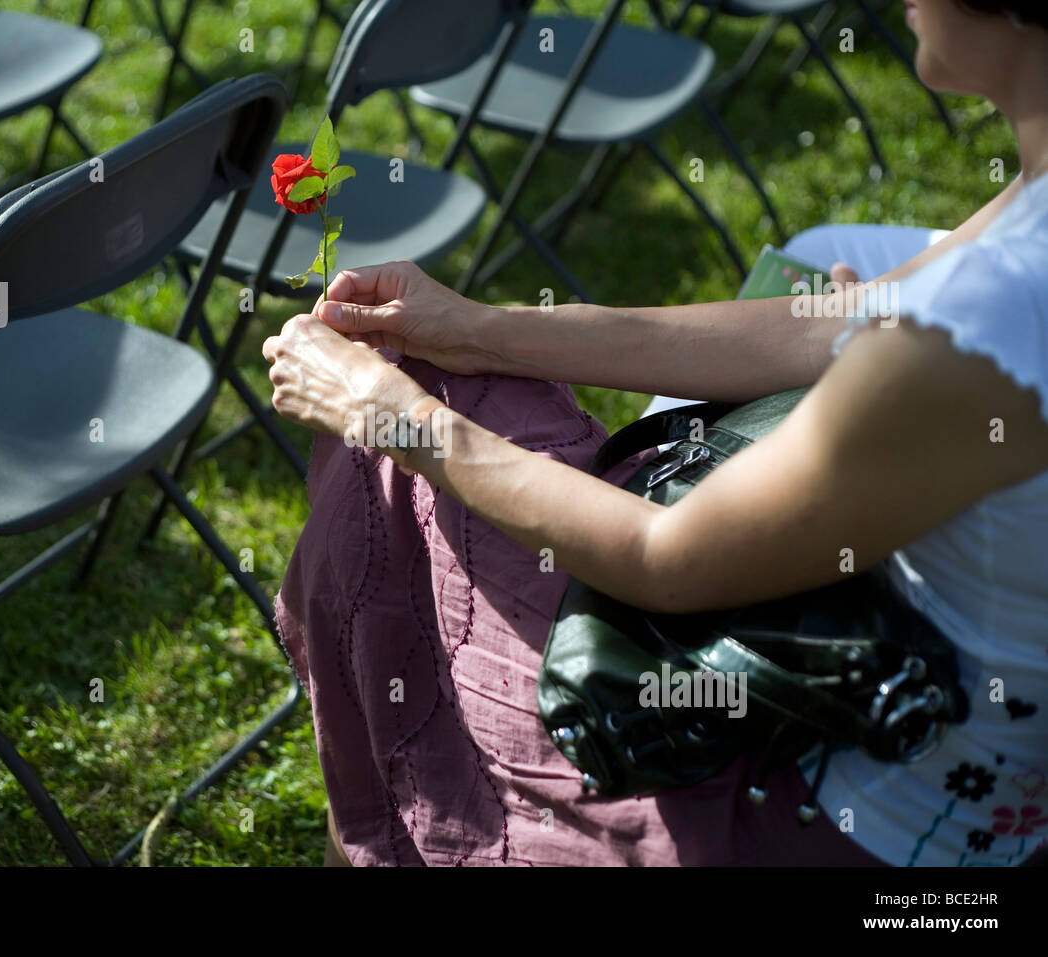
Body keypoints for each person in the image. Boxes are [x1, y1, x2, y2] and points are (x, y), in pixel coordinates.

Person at [262, 0, 1048, 866]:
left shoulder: (1001, 313)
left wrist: (388, 412)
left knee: (389, 461)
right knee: (442, 377)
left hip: (810, 796)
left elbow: (667, 558)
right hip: (887, 699)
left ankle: (382, 834)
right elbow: (833, 325)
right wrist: (478, 325)